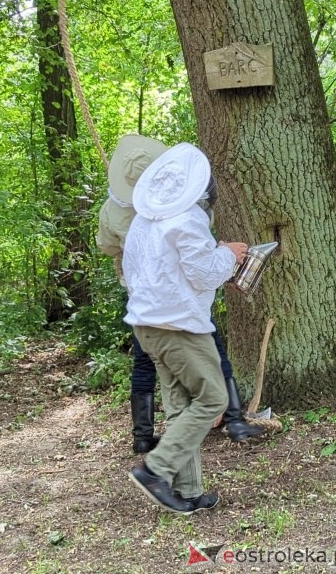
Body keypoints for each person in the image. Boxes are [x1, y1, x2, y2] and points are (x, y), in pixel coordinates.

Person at [97, 135, 265, 458]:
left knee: (147, 363)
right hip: (178, 301)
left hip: (141, 298)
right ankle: (231, 419)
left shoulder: (114, 212)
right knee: (212, 354)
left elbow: (107, 246)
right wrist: (226, 259)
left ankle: (143, 436)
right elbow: (196, 263)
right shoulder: (175, 210)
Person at [123, 142, 247, 514]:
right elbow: (203, 272)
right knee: (213, 399)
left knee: (180, 405)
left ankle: (190, 492)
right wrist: (232, 254)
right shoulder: (189, 218)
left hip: (147, 326)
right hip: (180, 328)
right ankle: (155, 470)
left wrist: (216, 255)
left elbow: (144, 273)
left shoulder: (142, 222)